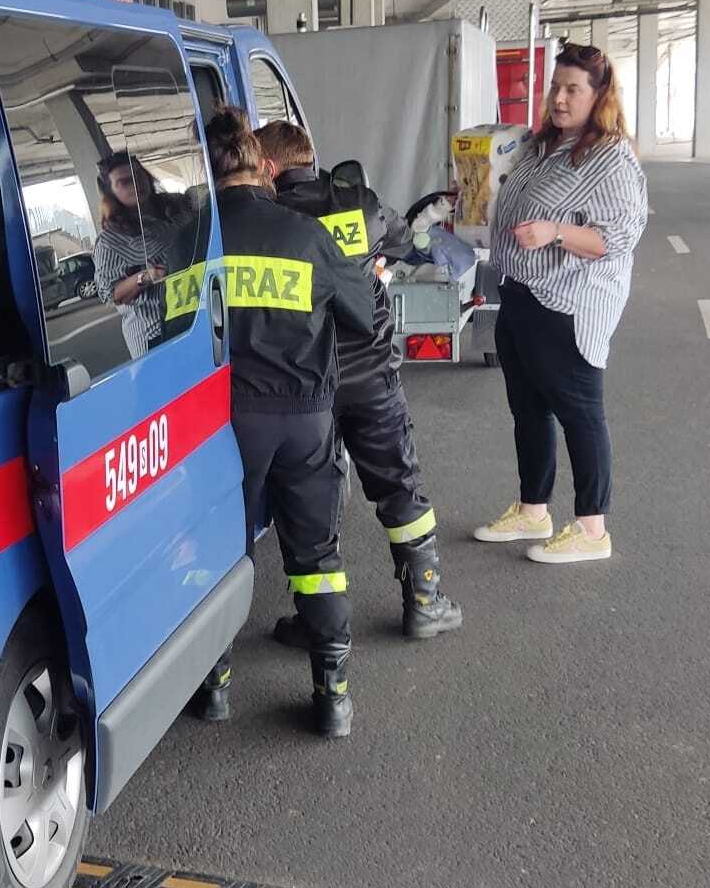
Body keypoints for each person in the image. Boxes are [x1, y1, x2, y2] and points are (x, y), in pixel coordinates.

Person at [190, 107, 376, 739]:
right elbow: (361, 317)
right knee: (317, 555)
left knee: (219, 551)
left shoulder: (196, 240)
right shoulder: (305, 235)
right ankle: (333, 697)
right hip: (304, 419)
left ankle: (213, 686)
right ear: (259, 166)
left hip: (224, 425)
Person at [258, 118, 462, 642]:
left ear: (268, 166)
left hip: (308, 389)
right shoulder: (358, 202)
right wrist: (374, 267)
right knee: (398, 482)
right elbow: (399, 241)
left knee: (312, 510)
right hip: (371, 374)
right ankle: (425, 600)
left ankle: (318, 619)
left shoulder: (268, 218)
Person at [475, 40, 648, 563]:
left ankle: (592, 529)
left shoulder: (611, 156)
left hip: (568, 303)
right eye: (555, 87)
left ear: (600, 96)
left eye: (573, 89)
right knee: (528, 410)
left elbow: (618, 237)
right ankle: (534, 511)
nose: (560, 98)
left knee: (580, 413)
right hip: (520, 293)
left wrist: (555, 232)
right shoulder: (542, 145)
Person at [90, 151, 182, 359]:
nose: (136, 184)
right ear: (111, 192)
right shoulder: (111, 240)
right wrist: (145, 277)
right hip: (153, 333)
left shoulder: (177, 207)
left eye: (138, 175)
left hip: (192, 318)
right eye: (124, 182)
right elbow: (111, 294)